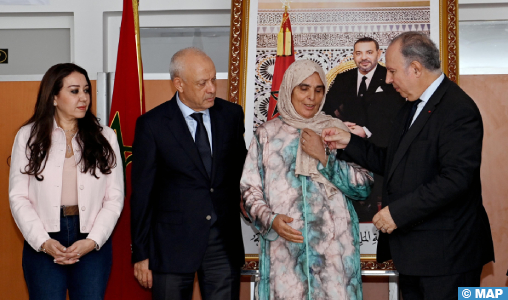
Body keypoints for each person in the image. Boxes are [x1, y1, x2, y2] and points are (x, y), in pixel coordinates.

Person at [322, 32, 494, 299]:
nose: (388, 80)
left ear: (415, 68)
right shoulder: (409, 107)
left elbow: (456, 180)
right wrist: (348, 142)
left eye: (391, 71)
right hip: (414, 255)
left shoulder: (457, 109)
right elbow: (391, 162)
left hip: (448, 256)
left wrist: (397, 214)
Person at [240, 59, 373, 300]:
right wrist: (271, 220)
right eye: (303, 88)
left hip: (334, 255)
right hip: (286, 253)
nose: (311, 97)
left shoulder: (337, 130)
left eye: (318, 89)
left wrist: (325, 159)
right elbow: (249, 190)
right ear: (289, 88)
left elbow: (363, 186)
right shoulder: (267, 135)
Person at [130, 48, 247, 300]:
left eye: (214, 80)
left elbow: (243, 171)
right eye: (202, 83)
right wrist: (141, 253)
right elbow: (142, 194)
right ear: (179, 84)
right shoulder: (152, 125)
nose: (212, 88)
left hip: (222, 243)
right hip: (171, 245)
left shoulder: (231, 116)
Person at [9, 63, 124, 300]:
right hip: (44, 237)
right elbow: (18, 196)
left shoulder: (105, 136)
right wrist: (43, 242)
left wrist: (93, 241)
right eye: (74, 91)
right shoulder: (28, 136)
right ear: (53, 97)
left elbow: (114, 197)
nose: (83, 98)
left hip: (92, 237)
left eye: (86, 90)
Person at [323, 37, 405, 221]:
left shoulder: (390, 78)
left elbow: (397, 118)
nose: (364, 58)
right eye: (359, 53)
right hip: (346, 154)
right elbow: (326, 109)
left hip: (379, 153)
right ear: (353, 56)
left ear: (378, 53)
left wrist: (366, 131)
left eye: (369, 52)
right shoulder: (343, 79)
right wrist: (340, 126)